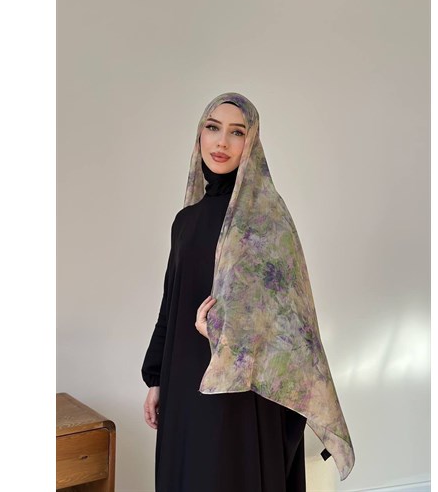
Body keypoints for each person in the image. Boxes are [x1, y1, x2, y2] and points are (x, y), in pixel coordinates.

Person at [141, 92, 354, 492]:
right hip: (184, 376)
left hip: (240, 391)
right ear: (200, 135)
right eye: (213, 128)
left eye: (237, 132)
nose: (222, 142)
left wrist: (224, 329)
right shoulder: (184, 221)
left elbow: (289, 322)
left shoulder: (266, 220)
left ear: (251, 143)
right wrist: (156, 379)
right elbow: (170, 304)